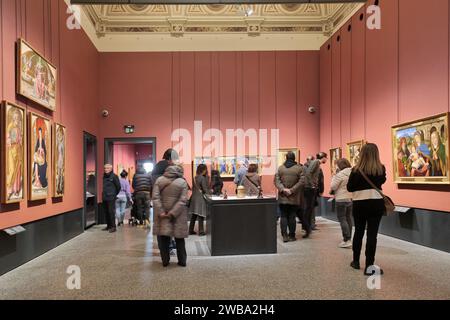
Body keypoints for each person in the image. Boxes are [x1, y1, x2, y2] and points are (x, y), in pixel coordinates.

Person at [347, 143, 387, 276]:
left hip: (359, 204)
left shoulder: (355, 170)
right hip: (376, 204)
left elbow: (350, 188)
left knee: (358, 232)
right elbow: (382, 181)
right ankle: (369, 266)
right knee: (372, 235)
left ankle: (356, 261)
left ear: (362, 154)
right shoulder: (380, 168)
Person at [152, 165, 189, 267]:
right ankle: (182, 261)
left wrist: (161, 212)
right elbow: (183, 200)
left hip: (162, 215)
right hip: (178, 215)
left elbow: (155, 198)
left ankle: (165, 261)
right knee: (179, 239)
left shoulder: (159, 180)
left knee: (164, 238)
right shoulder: (182, 182)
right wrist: (173, 212)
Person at [274, 151, 304, 242]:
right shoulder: (299, 168)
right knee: (292, 216)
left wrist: (283, 189)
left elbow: (276, 181)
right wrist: (292, 190)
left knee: (283, 216)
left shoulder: (280, 168)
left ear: (286, 158)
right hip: (294, 197)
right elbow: (302, 181)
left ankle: (284, 236)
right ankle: (292, 235)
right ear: (294, 158)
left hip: (283, 197)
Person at [330, 158, 353, 249]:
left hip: (340, 199)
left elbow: (333, 186)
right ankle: (349, 238)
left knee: (342, 219)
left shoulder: (339, 175)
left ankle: (346, 239)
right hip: (350, 198)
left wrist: (334, 176)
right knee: (348, 219)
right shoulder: (352, 173)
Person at [189, 164, 211, 236]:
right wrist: (210, 193)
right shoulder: (202, 178)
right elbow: (205, 189)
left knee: (194, 215)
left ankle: (190, 230)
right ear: (203, 170)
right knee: (201, 215)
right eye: (205, 169)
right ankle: (201, 231)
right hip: (200, 198)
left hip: (194, 197)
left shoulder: (195, 178)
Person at [302, 156, 321, 238]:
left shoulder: (305, 167)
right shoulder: (306, 168)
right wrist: (312, 185)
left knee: (309, 209)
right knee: (308, 209)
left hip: (310, 189)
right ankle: (308, 227)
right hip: (308, 189)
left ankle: (309, 226)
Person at [102, 164, 121, 233]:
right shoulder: (104, 176)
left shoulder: (114, 176)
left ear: (111, 169)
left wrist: (114, 194)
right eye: (105, 168)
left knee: (111, 212)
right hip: (104, 197)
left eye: (107, 168)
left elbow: (118, 187)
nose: (105, 169)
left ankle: (113, 227)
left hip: (111, 197)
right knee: (106, 212)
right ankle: (108, 226)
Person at [311, 152, 327, 230]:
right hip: (313, 189)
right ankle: (312, 224)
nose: (326, 159)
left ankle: (311, 224)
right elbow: (320, 180)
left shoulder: (315, 165)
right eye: (326, 157)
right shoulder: (317, 166)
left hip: (311, 189)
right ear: (323, 157)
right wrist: (321, 190)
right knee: (312, 207)